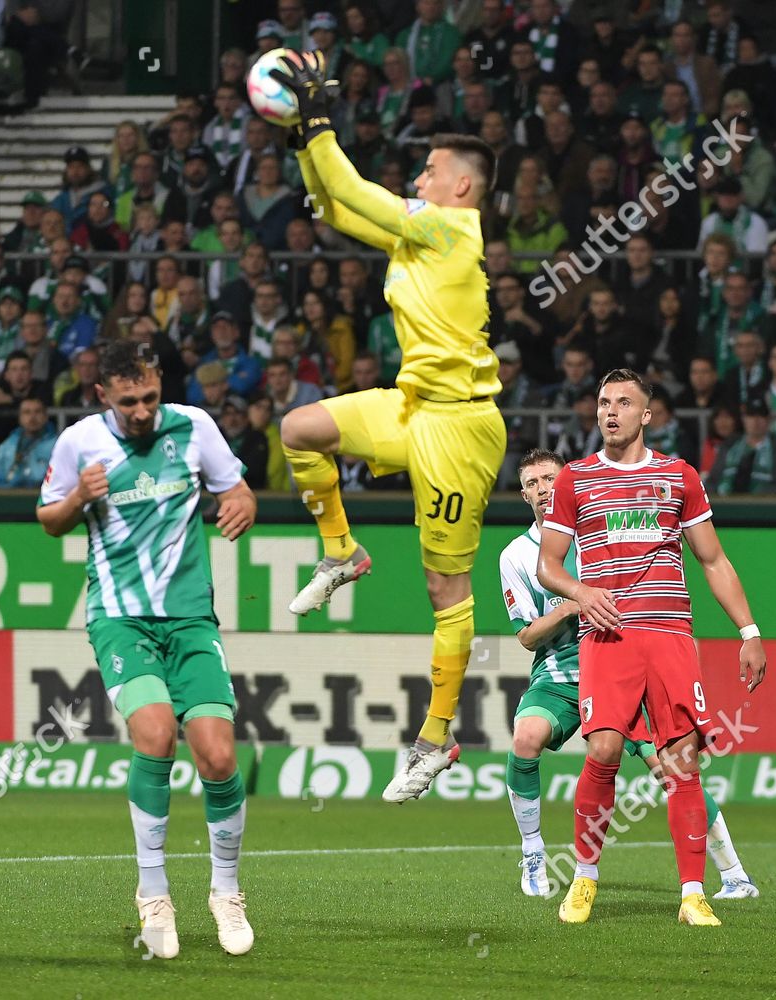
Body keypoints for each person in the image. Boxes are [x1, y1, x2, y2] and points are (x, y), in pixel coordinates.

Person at [273, 54, 507, 802]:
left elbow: (348, 188)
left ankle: (436, 739)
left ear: (460, 186)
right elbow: (338, 208)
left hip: (461, 429)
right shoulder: (420, 233)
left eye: (430, 170)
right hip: (413, 405)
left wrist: (313, 122)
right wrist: (301, 144)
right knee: (300, 428)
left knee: (445, 589)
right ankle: (341, 553)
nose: (419, 179)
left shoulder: (450, 229)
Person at [36, 341, 258, 960]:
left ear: (161, 386)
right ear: (102, 394)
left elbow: (238, 492)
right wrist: (79, 497)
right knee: (156, 733)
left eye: (150, 397)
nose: (141, 411)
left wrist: (241, 504)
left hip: (190, 618)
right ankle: (153, 891)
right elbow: (49, 519)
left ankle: (226, 891)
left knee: (216, 755)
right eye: (128, 401)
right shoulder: (79, 442)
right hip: (120, 618)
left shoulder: (195, 427)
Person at [536, 367, 768, 927]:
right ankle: (584, 882)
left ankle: (693, 894)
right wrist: (580, 589)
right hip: (608, 634)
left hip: (668, 635)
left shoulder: (678, 476)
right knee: (604, 751)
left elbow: (713, 560)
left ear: (647, 415)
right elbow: (548, 566)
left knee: (681, 760)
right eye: (602, 402)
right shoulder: (575, 479)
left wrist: (749, 631)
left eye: (622, 403)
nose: (609, 412)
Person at [501, 448, 757, 899]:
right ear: (524, 496)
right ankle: (534, 851)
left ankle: (734, 874)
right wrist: (573, 603)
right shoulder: (518, 556)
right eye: (531, 484)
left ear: (567, 483)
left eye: (549, 480)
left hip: (620, 668)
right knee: (525, 738)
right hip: (561, 676)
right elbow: (526, 637)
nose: (543, 490)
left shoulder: (598, 529)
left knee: (674, 767)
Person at [707, 398, 776, 495]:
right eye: (751, 416)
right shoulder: (729, 445)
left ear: (768, 419)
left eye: (761, 415)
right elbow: (713, 481)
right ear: (744, 418)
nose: (755, 421)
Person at [0, 395, 55, 488]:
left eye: (37, 412)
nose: (32, 417)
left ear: (45, 417)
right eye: (27, 412)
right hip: (6, 497)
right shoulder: (9, 444)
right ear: (20, 418)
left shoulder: (56, 445)